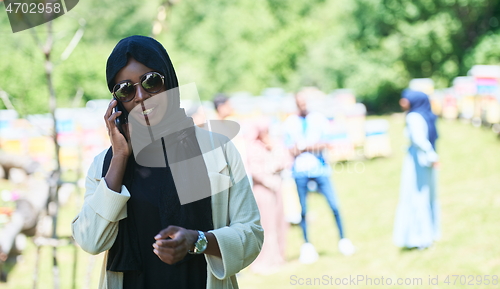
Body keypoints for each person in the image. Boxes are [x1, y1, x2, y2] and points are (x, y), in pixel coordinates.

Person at [71, 35, 263, 289]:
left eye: (151, 82)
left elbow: (251, 234)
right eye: (126, 89)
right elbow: (90, 240)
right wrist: (119, 157)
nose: (140, 96)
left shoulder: (216, 150)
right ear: (116, 101)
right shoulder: (106, 164)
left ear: (169, 81)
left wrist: (198, 240)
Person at [283, 90, 355, 264]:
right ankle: (307, 245)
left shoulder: (318, 119)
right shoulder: (290, 122)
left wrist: (305, 146)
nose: (303, 106)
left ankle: (343, 240)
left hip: (320, 169)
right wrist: (304, 147)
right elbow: (289, 148)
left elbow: (326, 142)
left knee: (334, 205)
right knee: (303, 210)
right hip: (300, 171)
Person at [393, 89, 440, 249]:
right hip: (426, 160)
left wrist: (430, 155)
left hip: (418, 162)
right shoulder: (425, 115)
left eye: (404, 99)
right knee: (427, 196)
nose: (402, 102)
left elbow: (419, 140)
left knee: (416, 196)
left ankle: (420, 238)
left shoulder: (413, 117)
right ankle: (430, 234)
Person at [245, 119, 289, 274]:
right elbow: (255, 171)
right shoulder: (253, 147)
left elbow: (286, 161)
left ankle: (278, 257)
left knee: (279, 223)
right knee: (266, 226)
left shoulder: (274, 144)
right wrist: (270, 179)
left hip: (276, 189)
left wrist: (275, 150)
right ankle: (264, 261)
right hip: (262, 191)